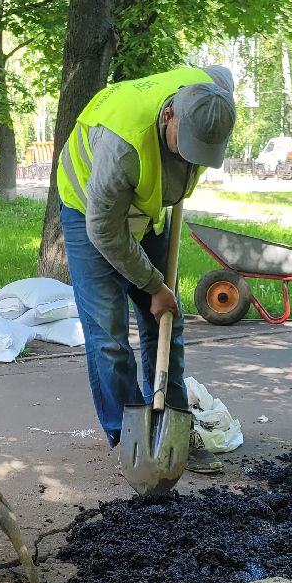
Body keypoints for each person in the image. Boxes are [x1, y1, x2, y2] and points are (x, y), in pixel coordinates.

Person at [56, 65, 236, 475]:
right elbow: (104, 230)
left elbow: (223, 74)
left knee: (166, 319)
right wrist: (154, 285)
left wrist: (160, 296)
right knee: (109, 335)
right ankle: (131, 438)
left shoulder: (212, 99)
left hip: (146, 209)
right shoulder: (122, 145)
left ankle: (172, 429)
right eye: (186, 146)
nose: (190, 158)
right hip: (90, 211)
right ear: (169, 116)